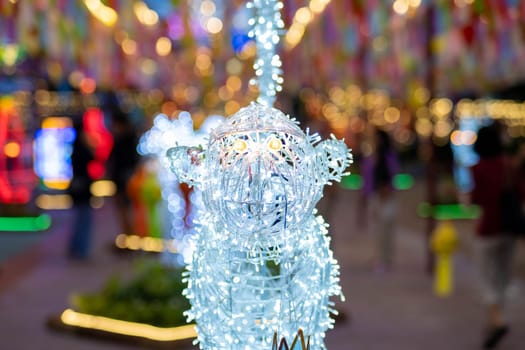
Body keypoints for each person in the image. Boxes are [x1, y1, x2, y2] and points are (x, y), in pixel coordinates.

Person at [468, 123, 518, 349]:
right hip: (509, 228)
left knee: (485, 278)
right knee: (502, 277)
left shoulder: (478, 168)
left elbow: (475, 199)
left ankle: (496, 320)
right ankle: (494, 320)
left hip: (487, 228)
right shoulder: (509, 166)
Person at [361, 127, 399, 272]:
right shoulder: (373, 155)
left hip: (383, 197)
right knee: (377, 230)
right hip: (375, 196)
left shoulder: (386, 156)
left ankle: (384, 259)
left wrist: (385, 191)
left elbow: (390, 175)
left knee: (384, 230)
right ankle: (380, 257)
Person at [107, 109, 139, 235]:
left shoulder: (126, 139)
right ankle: (127, 236)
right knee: (123, 210)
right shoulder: (122, 138)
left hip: (124, 180)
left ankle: (130, 237)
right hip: (120, 179)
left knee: (126, 210)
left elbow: (127, 160)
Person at [67, 119, 95, 260]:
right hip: (82, 187)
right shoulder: (82, 147)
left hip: (77, 186)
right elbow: (92, 158)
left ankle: (75, 248)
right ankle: (80, 249)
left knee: (79, 218)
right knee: (83, 219)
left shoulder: (75, 146)